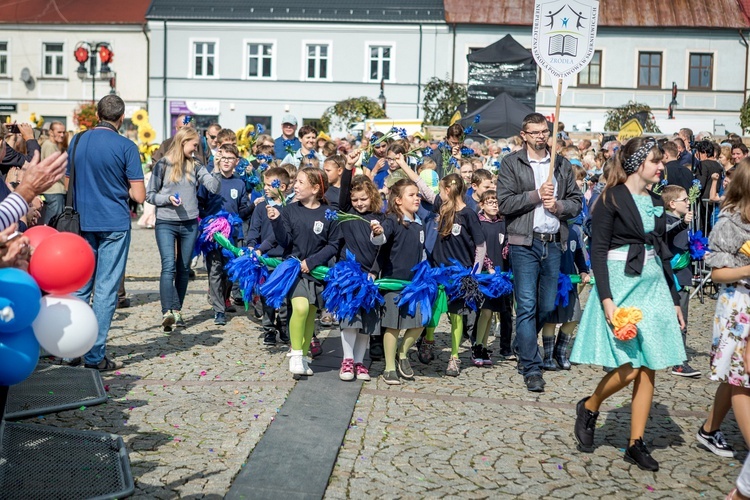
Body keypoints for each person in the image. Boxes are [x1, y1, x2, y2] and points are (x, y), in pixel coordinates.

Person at [571, 136, 686, 472]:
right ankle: (591, 406)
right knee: (630, 366)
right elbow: (597, 251)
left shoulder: (653, 200)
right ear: (638, 163)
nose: (661, 166)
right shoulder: (610, 198)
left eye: (662, 161)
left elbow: (660, 248)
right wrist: (605, 298)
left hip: (653, 285)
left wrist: (674, 297)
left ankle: (636, 443)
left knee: (650, 365)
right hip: (621, 285)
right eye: (656, 161)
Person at [496, 113, 583, 392]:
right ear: (524, 135)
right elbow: (505, 204)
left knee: (546, 306)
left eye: (544, 131)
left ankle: (523, 345)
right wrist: (535, 195)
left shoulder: (561, 164)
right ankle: (532, 367)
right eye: (534, 132)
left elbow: (577, 202)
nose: (540, 136)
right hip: (524, 242)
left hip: (553, 241)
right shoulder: (512, 163)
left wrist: (558, 206)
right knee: (526, 305)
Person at [67, 95, 146, 371]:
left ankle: (71, 349)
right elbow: (139, 194)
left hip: (81, 221)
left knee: (79, 288)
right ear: (121, 118)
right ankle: (94, 355)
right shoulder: (127, 146)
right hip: (113, 223)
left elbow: (68, 182)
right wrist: (117, 188)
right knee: (105, 290)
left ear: (97, 115)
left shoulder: (76, 142)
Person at [696, 159, 750, 460]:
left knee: (736, 377)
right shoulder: (729, 222)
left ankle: (709, 429)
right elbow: (716, 274)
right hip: (739, 304)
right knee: (741, 379)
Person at [268, 167, 341, 377]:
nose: (295, 186)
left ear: (316, 188)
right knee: (299, 308)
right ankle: (296, 353)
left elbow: (333, 244)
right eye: (295, 182)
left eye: (300, 182)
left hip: (317, 271)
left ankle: (306, 355)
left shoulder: (329, 213)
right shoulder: (290, 210)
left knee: (310, 315)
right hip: (295, 269)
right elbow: (285, 241)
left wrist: (314, 261)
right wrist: (276, 221)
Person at [147, 127, 221, 332]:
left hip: (189, 224)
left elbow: (213, 187)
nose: (196, 149)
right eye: (194, 145)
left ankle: (177, 311)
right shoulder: (162, 165)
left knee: (183, 268)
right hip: (166, 222)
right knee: (168, 265)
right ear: (182, 143)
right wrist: (166, 199)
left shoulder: (196, 165)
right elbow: (150, 195)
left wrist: (215, 168)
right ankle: (166, 312)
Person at [429, 173, 486, 377]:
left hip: (460, 273)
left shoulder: (469, 214)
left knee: (456, 316)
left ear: (447, 191)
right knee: (434, 310)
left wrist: (475, 273)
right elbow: (426, 193)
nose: (437, 194)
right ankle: (427, 340)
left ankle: (454, 357)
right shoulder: (443, 210)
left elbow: (480, 245)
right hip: (438, 271)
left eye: (440, 191)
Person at [370, 179, 426, 385]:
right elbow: (381, 238)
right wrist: (378, 232)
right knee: (392, 326)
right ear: (399, 201)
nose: (417, 198)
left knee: (420, 322)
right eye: (411, 195)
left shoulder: (420, 224)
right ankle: (389, 368)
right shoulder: (393, 220)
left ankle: (402, 352)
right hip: (393, 282)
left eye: (417, 194)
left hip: (414, 284)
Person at [336, 150, 385, 381]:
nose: (358, 203)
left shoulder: (379, 218)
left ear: (372, 197)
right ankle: (347, 360)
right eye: (355, 200)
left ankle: (359, 361)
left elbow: (382, 248)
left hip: (371, 275)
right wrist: (348, 166)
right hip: (350, 272)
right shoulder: (346, 213)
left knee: (368, 321)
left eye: (363, 199)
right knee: (349, 318)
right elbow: (345, 190)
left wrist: (375, 271)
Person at [197, 143, 252, 325]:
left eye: (230, 158)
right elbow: (200, 203)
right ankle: (218, 309)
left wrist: (253, 205)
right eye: (224, 158)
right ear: (218, 159)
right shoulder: (211, 180)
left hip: (233, 234)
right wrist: (208, 221)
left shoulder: (239, 183)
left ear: (236, 161)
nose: (226, 162)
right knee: (214, 270)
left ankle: (225, 297)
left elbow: (243, 210)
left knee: (229, 272)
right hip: (213, 233)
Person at [247, 166, 291, 346]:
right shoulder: (260, 207)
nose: (265, 188)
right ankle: (268, 328)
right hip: (265, 257)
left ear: (281, 187)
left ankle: (284, 325)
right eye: (264, 184)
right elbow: (254, 230)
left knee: (285, 296)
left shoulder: (289, 208)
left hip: (285, 257)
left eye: (268, 184)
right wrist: (250, 245)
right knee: (266, 295)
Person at [661, 185, 701, 378]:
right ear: (672, 203)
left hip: (682, 274)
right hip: (671, 276)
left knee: (682, 316)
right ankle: (678, 361)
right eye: (684, 200)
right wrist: (683, 224)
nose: (688, 203)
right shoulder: (666, 220)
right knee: (677, 319)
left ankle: (677, 357)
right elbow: (666, 232)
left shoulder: (680, 220)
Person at [474, 190, 512, 365]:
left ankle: (482, 345)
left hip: (500, 274)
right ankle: (477, 345)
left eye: (496, 202)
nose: (494, 205)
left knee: (492, 313)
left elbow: (504, 246)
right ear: (482, 204)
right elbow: (480, 248)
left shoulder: (502, 223)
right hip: (485, 274)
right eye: (489, 202)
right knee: (486, 310)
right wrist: (488, 267)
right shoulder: (479, 224)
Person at [40, 121, 68, 224]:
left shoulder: (54, 145)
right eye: (59, 132)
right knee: (53, 223)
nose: (62, 135)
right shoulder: (49, 145)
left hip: (56, 189)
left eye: (63, 132)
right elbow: (53, 169)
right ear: (51, 132)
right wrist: (67, 183)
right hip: (54, 190)